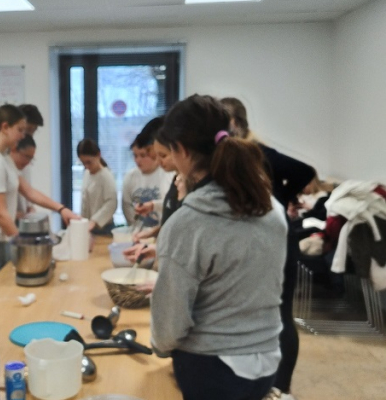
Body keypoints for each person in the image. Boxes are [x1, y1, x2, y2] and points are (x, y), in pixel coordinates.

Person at [150, 94, 288, 400]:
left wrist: (159, 347)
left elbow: (169, 326)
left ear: (181, 150)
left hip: (212, 369)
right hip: (267, 362)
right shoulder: (271, 209)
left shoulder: (188, 223)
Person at [221, 97, 315, 400]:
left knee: (282, 314)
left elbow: (305, 170)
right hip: (257, 240)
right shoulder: (231, 156)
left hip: (279, 239)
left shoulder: (258, 152)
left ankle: (282, 388)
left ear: (236, 123)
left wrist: (283, 195)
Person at [0, 105, 77, 289]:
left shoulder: (3, 158)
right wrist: (25, 246)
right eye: (20, 130)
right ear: (5, 127)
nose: (23, 136)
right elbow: (0, 214)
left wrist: (61, 209)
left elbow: (28, 191)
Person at [122, 117, 172, 229]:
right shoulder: (130, 176)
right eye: (135, 155)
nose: (138, 160)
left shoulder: (169, 174)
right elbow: (127, 206)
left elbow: (173, 207)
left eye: (144, 155)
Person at [76, 138, 118, 234]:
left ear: (98, 155)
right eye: (83, 163)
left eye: (89, 162)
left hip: (104, 228)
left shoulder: (106, 176)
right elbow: (85, 202)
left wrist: (94, 221)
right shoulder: (87, 173)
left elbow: (112, 203)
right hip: (89, 226)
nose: (86, 166)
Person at [16, 104, 44, 217]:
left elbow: (27, 189)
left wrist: (29, 205)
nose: (30, 135)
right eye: (28, 130)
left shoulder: (24, 151)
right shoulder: (4, 156)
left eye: (34, 130)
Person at [9, 134, 37, 219]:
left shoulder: (15, 170)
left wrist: (29, 207)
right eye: (26, 157)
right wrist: (13, 214)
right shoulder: (0, 166)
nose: (28, 162)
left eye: (31, 159)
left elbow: (29, 192)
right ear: (14, 149)